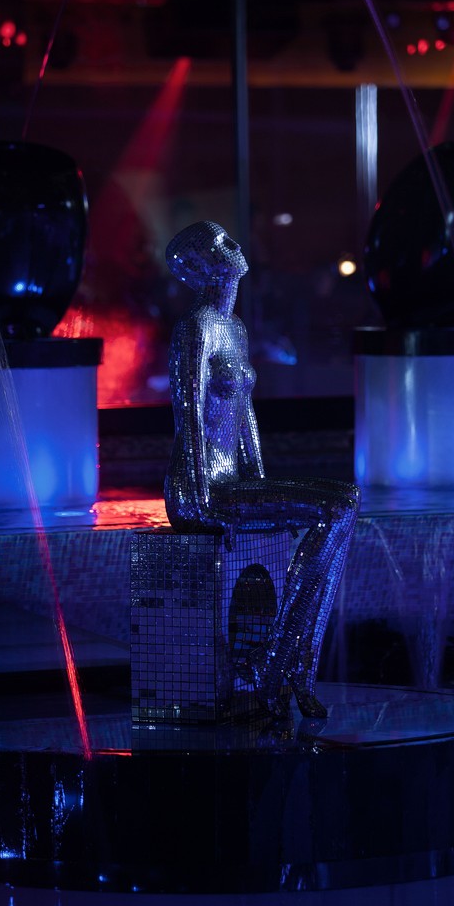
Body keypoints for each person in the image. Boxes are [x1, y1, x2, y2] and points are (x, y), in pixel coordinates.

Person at [164, 220, 360, 718]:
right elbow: (187, 413)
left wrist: (264, 483)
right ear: (201, 265)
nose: (234, 247)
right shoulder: (195, 328)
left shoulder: (235, 329)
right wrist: (200, 497)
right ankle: (279, 666)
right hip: (202, 487)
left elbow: (245, 415)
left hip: (236, 482)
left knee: (345, 504)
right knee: (335, 508)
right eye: (220, 244)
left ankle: (290, 666)